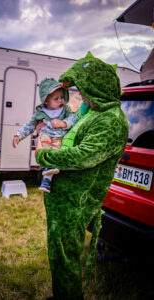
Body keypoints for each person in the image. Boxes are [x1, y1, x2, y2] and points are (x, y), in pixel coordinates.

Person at [35, 52, 129, 300]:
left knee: (66, 255)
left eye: (85, 90)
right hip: (64, 197)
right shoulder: (93, 112)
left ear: (98, 87)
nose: (81, 96)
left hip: (77, 201)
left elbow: (83, 156)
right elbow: (68, 131)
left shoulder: (111, 120)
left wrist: (44, 155)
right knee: (59, 252)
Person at [12, 77, 78, 193]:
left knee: (54, 153)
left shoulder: (65, 110)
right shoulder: (40, 112)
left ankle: (46, 181)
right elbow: (30, 125)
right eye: (56, 98)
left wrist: (63, 123)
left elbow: (74, 118)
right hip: (45, 138)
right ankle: (47, 173)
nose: (60, 101)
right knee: (46, 148)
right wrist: (19, 135)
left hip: (58, 138)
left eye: (62, 97)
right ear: (46, 101)